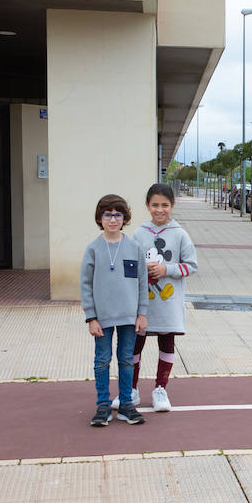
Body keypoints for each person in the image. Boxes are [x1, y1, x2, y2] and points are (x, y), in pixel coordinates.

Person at [125, 183, 198, 413]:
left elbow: (191, 266)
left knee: (166, 343)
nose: (160, 210)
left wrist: (167, 270)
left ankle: (160, 389)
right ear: (147, 206)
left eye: (165, 205)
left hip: (168, 304)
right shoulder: (138, 233)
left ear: (172, 206)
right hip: (142, 304)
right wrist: (141, 268)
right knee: (134, 346)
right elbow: (128, 266)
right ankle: (131, 389)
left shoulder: (180, 234)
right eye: (155, 205)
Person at [80, 194, 148, 427]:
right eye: (107, 215)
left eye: (117, 215)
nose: (112, 219)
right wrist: (91, 317)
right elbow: (85, 285)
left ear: (124, 218)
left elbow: (141, 282)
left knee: (126, 359)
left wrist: (142, 313)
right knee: (102, 360)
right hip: (102, 317)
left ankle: (127, 404)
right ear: (100, 218)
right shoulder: (93, 249)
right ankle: (102, 405)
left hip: (129, 316)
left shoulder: (134, 247)